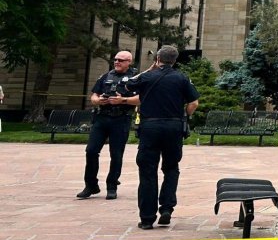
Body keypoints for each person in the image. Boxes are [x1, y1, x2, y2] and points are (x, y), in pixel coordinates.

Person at [124, 46, 200, 230]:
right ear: (175, 60)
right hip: (173, 127)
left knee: (148, 171)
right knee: (171, 168)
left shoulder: (147, 77)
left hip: (150, 127)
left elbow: (127, 85)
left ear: (158, 58)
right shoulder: (182, 78)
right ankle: (166, 207)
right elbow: (194, 103)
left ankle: (147, 218)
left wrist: (150, 69)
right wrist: (185, 116)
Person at [77, 50, 139, 200]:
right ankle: (91, 185)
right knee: (91, 151)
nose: (117, 62)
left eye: (121, 60)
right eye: (116, 59)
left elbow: (140, 99)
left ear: (129, 62)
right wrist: (98, 101)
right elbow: (94, 95)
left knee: (116, 154)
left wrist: (123, 100)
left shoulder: (135, 79)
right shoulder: (106, 76)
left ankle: (112, 186)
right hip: (102, 118)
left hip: (121, 119)